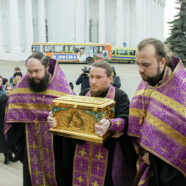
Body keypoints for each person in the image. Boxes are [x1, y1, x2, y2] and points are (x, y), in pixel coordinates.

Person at [48, 61, 137, 186]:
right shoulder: (84, 93)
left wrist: (110, 124)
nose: (93, 81)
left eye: (99, 77)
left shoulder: (120, 95)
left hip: (107, 154)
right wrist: (56, 120)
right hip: (82, 151)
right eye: (91, 77)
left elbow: (125, 119)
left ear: (110, 78)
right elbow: (72, 117)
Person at [4, 52, 73, 186]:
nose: (32, 75)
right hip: (31, 148)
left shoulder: (62, 89)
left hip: (57, 149)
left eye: (37, 71)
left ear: (47, 67)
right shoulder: (21, 89)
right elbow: (12, 114)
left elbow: (72, 119)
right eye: (29, 71)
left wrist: (59, 123)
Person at [128, 38, 186, 186]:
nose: (140, 69)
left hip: (173, 173)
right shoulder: (149, 79)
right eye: (138, 64)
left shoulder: (181, 88)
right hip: (146, 160)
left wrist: (153, 157)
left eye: (146, 65)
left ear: (162, 62)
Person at [0, 83, 13, 165]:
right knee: (4, 141)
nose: (8, 91)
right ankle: (6, 156)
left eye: (10, 90)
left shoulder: (15, 99)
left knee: (11, 140)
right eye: (7, 90)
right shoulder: (1, 99)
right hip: (3, 123)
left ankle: (10, 154)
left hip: (12, 124)